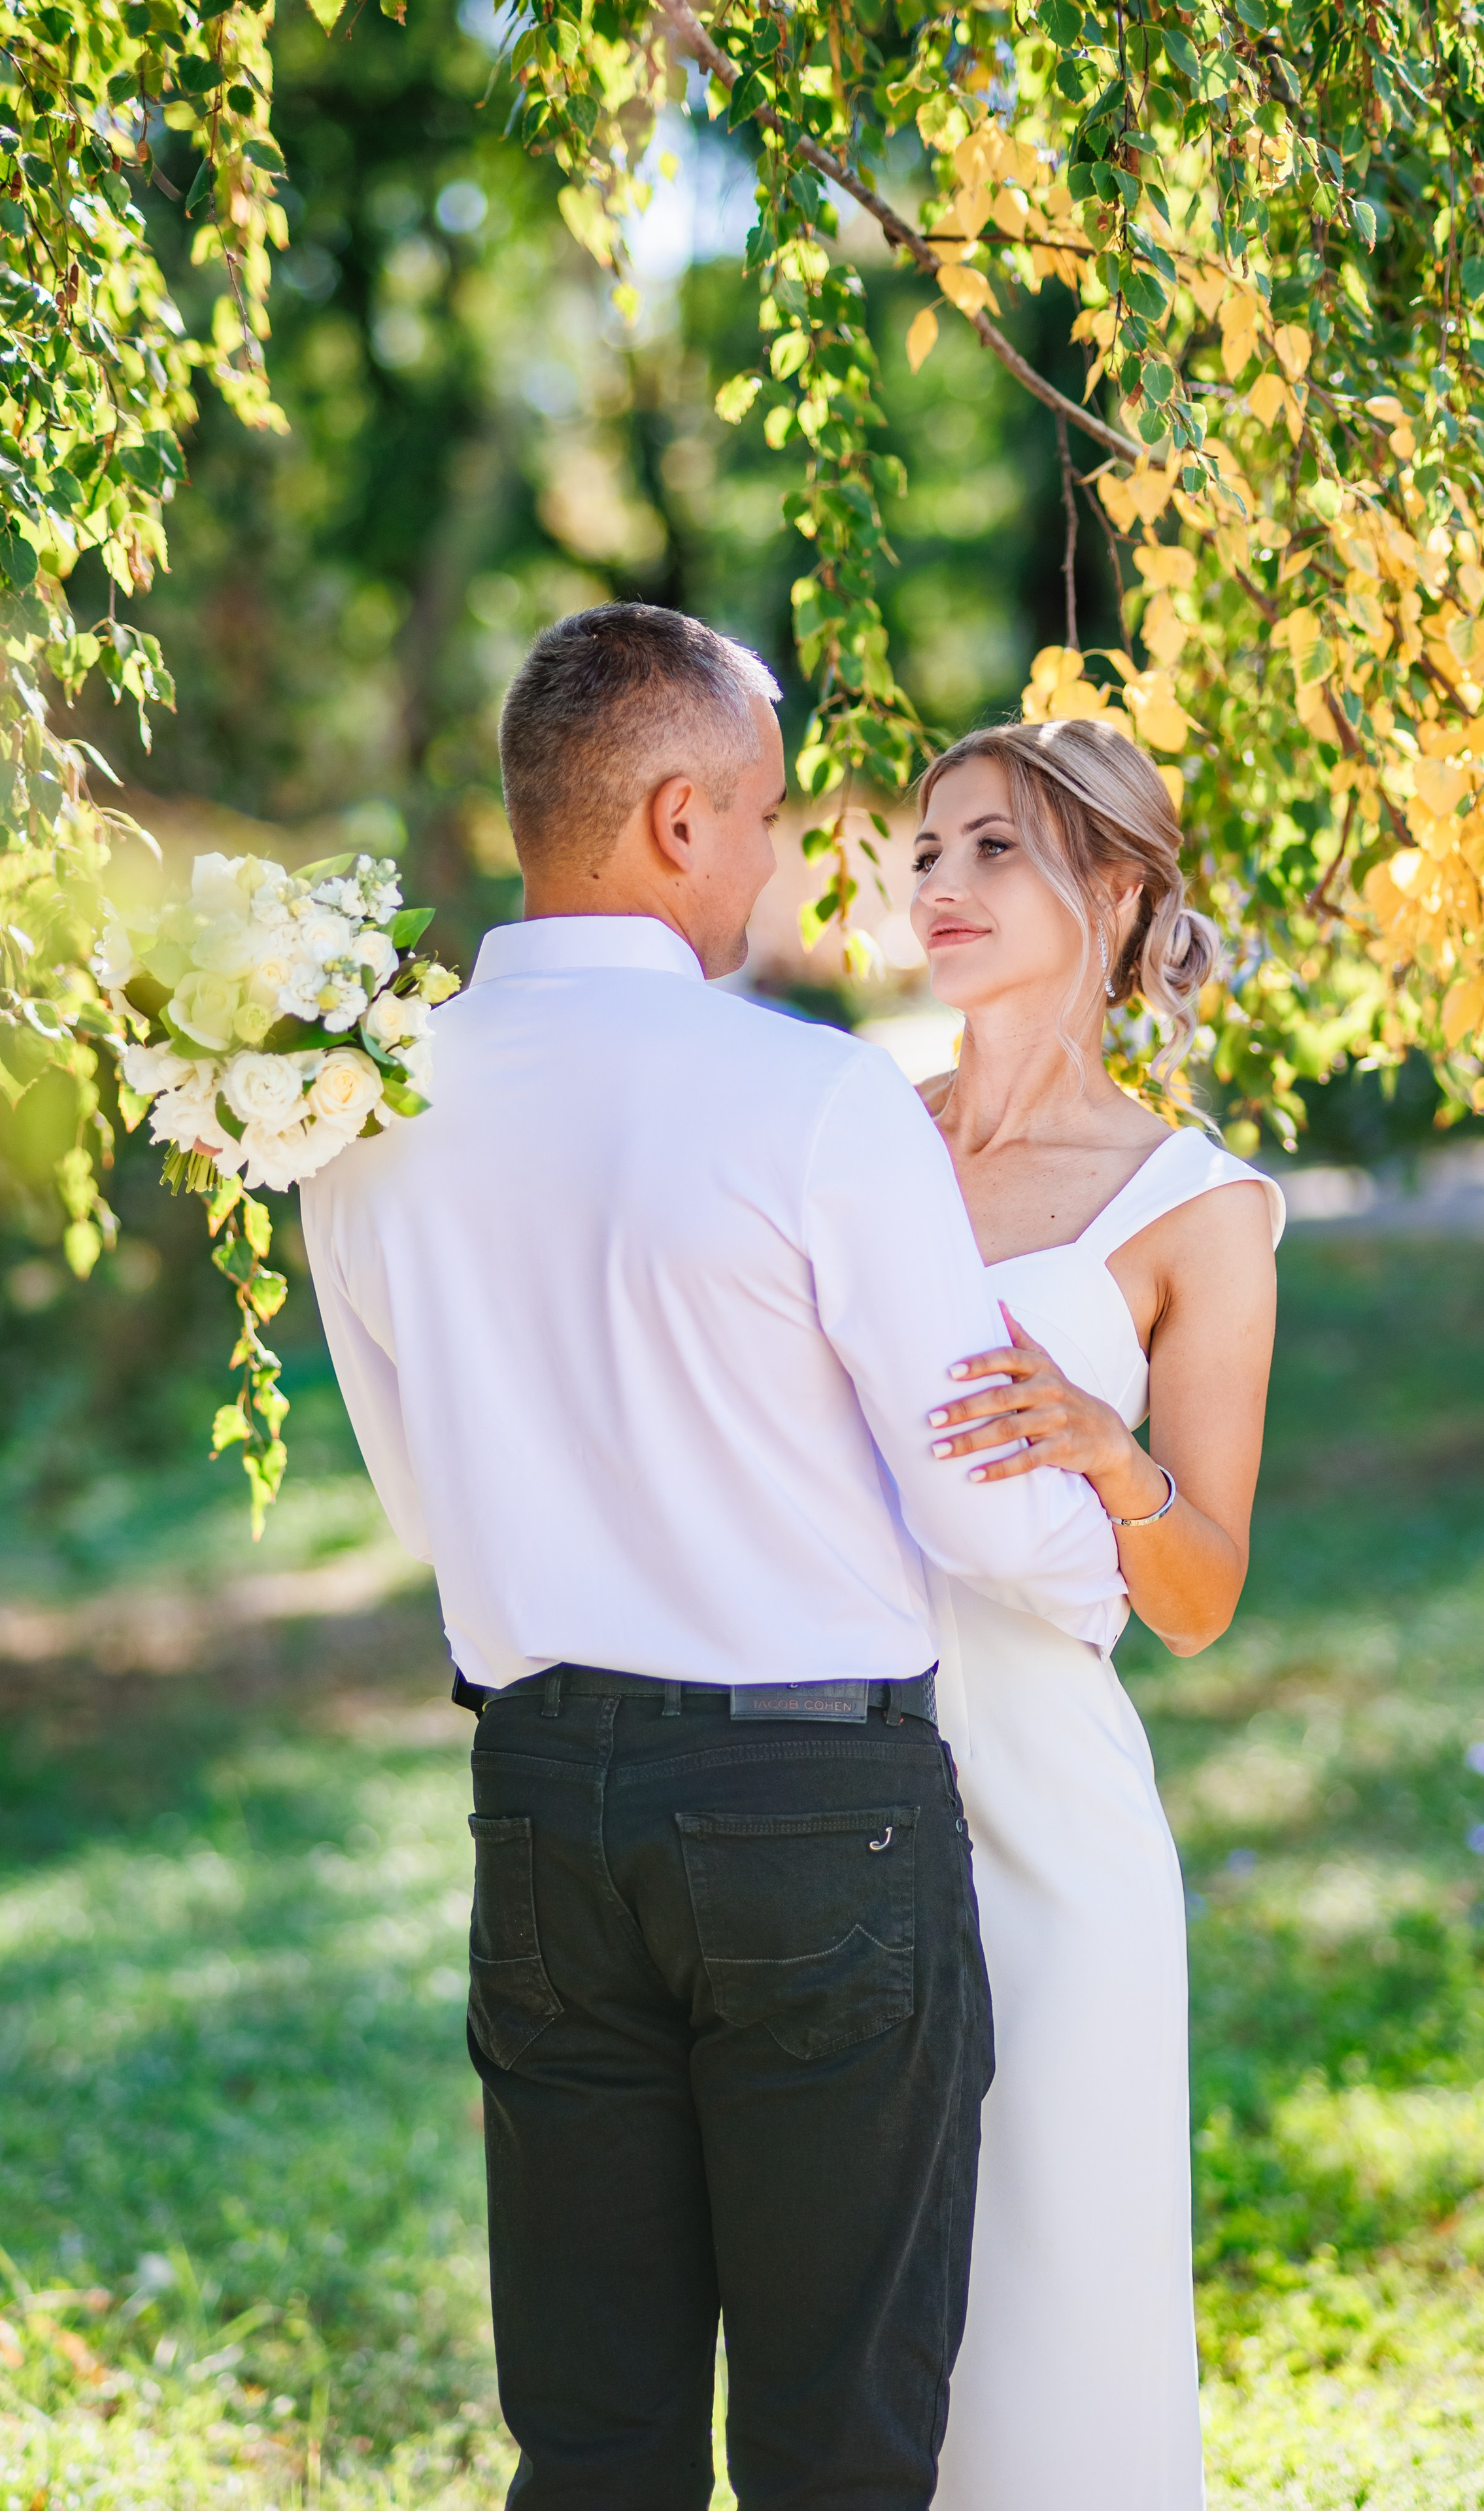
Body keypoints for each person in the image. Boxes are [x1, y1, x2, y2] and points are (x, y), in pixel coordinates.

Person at [299, 605, 1127, 2511]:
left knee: (591, 2436)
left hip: (544, 1811)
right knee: (841, 2435)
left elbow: (430, 1509)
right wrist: (1103, 1580)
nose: (776, 861)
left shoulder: (363, 1119)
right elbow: (978, 1488)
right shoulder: (814, 1096)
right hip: (813, 1810)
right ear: (679, 819)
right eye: (758, 814)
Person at [901, 718, 1284, 2511]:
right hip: (813, 1782)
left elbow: (1201, 1600)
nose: (940, 886)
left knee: (1056, 2317)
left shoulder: (1197, 1210)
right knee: (860, 2320)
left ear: (1114, 887)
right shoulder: (850, 1140)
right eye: (925, 851)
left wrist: (1110, 1455)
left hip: (1049, 1813)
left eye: (995, 849)